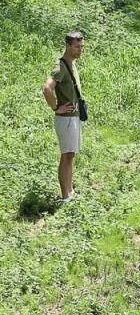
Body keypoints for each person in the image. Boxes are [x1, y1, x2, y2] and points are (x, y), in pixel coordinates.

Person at [42, 31, 86, 203]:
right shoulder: (60, 66)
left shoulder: (71, 63)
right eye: (76, 47)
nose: (80, 50)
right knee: (66, 156)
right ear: (68, 46)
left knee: (70, 155)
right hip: (66, 119)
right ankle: (65, 196)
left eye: (82, 47)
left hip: (73, 117)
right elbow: (47, 88)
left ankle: (70, 191)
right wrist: (56, 107)